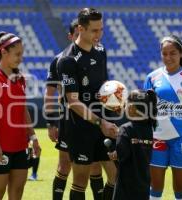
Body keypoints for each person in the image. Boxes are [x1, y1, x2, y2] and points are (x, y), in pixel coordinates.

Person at [57, 8, 118, 200]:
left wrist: (116, 102)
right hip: (80, 128)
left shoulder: (101, 51)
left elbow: (104, 88)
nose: (99, 35)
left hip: (103, 125)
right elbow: (73, 102)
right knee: (81, 180)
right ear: (80, 29)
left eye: (101, 29)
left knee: (116, 176)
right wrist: (101, 123)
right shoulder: (67, 60)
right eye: (94, 30)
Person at [45, 19, 105, 200]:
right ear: (71, 36)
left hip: (93, 115)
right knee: (64, 164)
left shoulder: (98, 53)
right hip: (69, 119)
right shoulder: (60, 60)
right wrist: (51, 122)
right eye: (77, 35)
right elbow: (50, 93)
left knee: (95, 165)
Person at [0, 32, 41, 200]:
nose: (21, 58)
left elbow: (22, 110)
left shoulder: (20, 78)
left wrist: (33, 137)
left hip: (20, 146)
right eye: (17, 54)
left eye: (22, 53)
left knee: (17, 194)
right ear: (3, 52)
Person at [144, 35, 182, 200]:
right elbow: (146, 113)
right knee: (155, 188)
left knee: (180, 189)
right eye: (164, 53)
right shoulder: (152, 78)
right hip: (157, 138)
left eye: (173, 53)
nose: (168, 57)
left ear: (181, 53)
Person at [107, 89, 157, 200]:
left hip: (125, 186)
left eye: (125, 104)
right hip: (144, 184)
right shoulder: (150, 128)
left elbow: (122, 156)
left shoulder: (125, 129)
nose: (124, 107)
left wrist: (114, 154)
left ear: (132, 108)